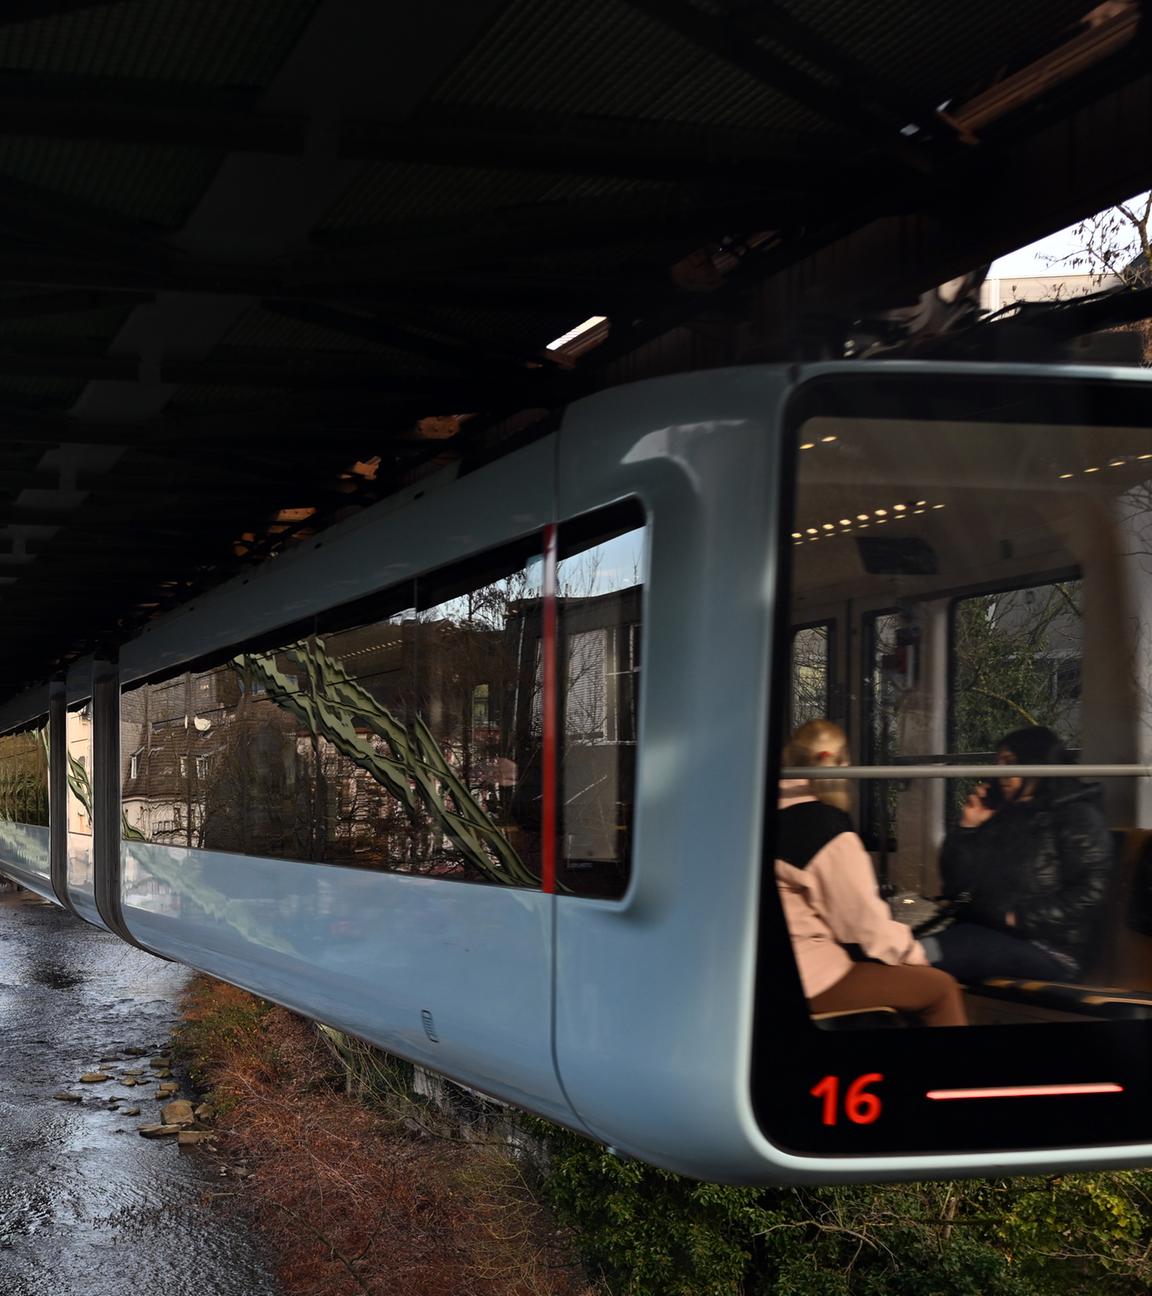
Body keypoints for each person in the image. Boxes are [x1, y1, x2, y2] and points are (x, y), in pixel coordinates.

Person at [776, 719, 967, 1027]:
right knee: (940, 989)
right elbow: (863, 923)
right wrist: (914, 955)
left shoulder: (762, 812)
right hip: (813, 976)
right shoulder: (824, 830)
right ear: (841, 766)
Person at [925, 725, 1114, 984]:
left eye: (1010, 763)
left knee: (943, 950)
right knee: (931, 948)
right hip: (988, 933)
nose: (1001, 773)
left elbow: (1091, 892)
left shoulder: (1077, 816)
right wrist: (968, 829)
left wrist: (1019, 917)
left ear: (1036, 766)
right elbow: (956, 884)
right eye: (999, 763)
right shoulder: (1002, 815)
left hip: (1050, 950)